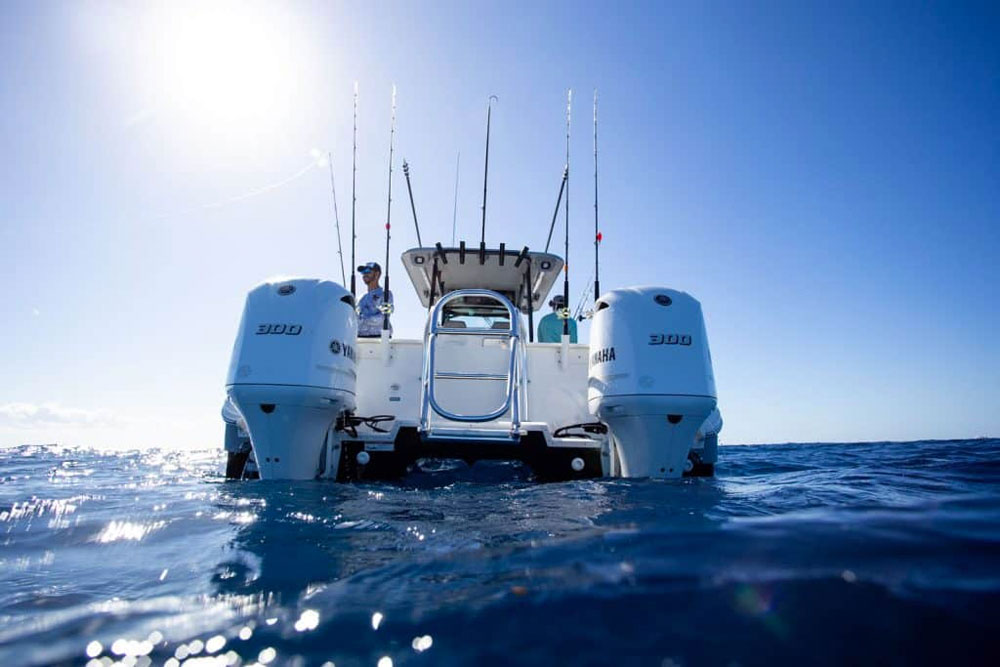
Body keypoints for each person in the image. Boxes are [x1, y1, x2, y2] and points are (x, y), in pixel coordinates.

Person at [356, 261, 393, 338]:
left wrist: (363, 319)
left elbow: (384, 317)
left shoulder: (386, 294)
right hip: (360, 339)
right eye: (363, 272)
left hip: (379, 339)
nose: (364, 274)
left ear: (377, 274)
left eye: (367, 271)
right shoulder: (359, 298)